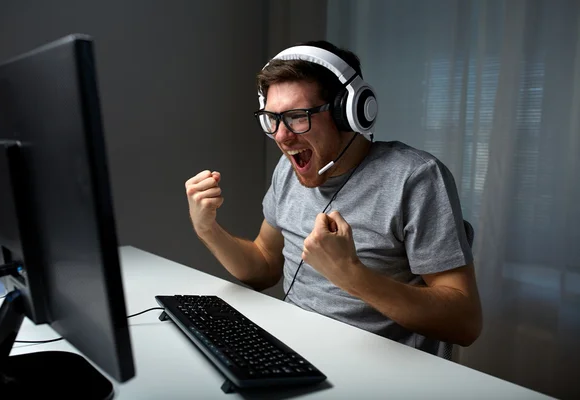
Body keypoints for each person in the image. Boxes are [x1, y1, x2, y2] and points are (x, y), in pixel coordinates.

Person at [185, 40, 482, 358]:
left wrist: (351, 274)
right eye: (272, 119)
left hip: (375, 372)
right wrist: (208, 230)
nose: (282, 136)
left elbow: (464, 323)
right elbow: (264, 266)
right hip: (292, 355)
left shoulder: (415, 178)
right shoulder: (288, 170)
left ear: (349, 112)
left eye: (298, 117)